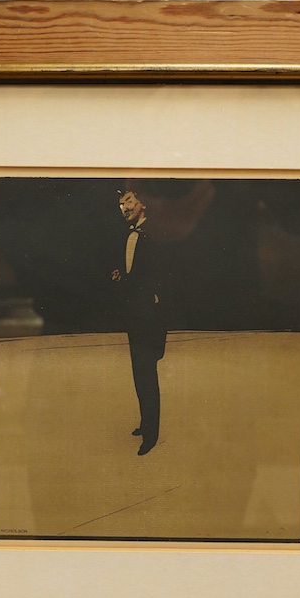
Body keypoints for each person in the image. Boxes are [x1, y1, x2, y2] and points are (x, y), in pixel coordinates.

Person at [111, 189, 167, 456]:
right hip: (134, 314)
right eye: (121, 204)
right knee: (139, 372)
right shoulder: (129, 234)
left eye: (129, 201)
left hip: (149, 317)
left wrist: (155, 300)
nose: (124, 207)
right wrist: (120, 276)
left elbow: (164, 275)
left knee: (147, 373)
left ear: (143, 202)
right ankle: (146, 424)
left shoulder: (156, 234)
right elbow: (134, 272)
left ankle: (151, 435)